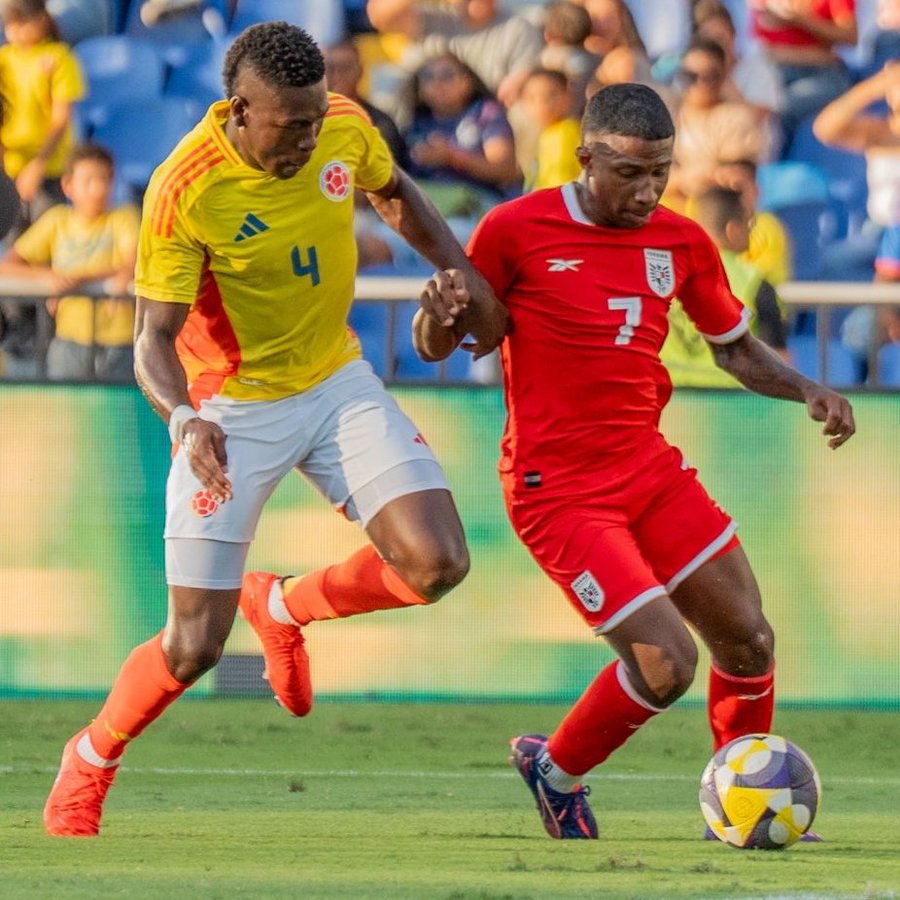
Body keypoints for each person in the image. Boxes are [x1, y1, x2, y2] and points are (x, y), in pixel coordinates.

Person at [42, 21, 506, 838]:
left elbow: (394, 188)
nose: (306, 139)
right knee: (193, 649)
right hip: (229, 409)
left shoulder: (342, 126)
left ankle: (286, 607)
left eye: (312, 121)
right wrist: (185, 419)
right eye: (288, 126)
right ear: (239, 108)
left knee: (438, 563)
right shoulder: (187, 186)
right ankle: (88, 761)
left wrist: (458, 268)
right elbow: (152, 339)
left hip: (336, 380)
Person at [413, 82, 855, 840]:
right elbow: (447, 340)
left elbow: (734, 349)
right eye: (629, 174)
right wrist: (433, 316)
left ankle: (743, 805)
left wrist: (808, 387)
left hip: (648, 469)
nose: (648, 190)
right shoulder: (516, 229)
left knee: (748, 639)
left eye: (660, 171)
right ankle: (552, 770)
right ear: (586, 158)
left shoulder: (681, 241)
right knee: (667, 664)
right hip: (558, 492)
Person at [0, 143, 139, 381]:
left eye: (104, 179)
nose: (97, 189)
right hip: (69, 343)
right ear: (67, 185)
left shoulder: (124, 218)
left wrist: (76, 278)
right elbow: (8, 266)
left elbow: (131, 264)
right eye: (88, 181)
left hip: (120, 347)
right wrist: (49, 277)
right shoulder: (57, 220)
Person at [0, 0, 84, 377]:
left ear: (40, 20)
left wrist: (36, 165)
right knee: (15, 254)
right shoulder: (5, 59)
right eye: (10, 25)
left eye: (22, 23)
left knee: (49, 254)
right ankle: (18, 336)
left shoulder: (57, 56)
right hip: (12, 175)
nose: (16, 32)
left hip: (45, 173)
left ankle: (48, 336)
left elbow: (60, 119)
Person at [661, 185, 789, 387]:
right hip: (731, 404)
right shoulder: (753, 280)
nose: (751, 231)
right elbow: (780, 361)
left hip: (671, 401)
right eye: (749, 224)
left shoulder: (663, 272)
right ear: (733, 230)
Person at [667, 37, 774, 211]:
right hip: (673, 208)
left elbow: (738, 180)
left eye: (710, 76)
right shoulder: (668, 114)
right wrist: (684, 179)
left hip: (718, 213)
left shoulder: (736, 117)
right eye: (691, 76)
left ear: (724, 77)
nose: (700, 84)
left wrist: (692, 178)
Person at [749, 0, 858, 148]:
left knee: (781, 107)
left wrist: (799, 21)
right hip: (773, 73)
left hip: (821, 76)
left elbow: (849, 37)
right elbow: (761, 48)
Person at [519, 68, 582, 192]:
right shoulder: (548, 134)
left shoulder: (565, 132)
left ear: (568, 95)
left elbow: (560, 186)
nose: (541, 103)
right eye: (532, 98)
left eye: (551, 95)